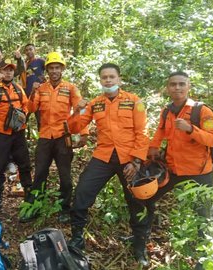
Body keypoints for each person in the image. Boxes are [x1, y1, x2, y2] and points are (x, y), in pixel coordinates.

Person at [66, 63, 151, 266]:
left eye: (112, 77)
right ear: (101, 80)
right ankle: (77, 238)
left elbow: (142, 132)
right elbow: (74, 127)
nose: (108, 80)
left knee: (138, 201)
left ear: (119, 79)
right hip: (103, 157)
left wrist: (137, 161)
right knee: (82, 193)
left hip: (129, 159)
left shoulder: (133, 101)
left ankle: (140, 244)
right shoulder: (95, 103)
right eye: (104, 77)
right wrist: (76, 110)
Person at [148, 71, 213, 270]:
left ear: (189, 87)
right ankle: (141, 236)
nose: (177, 88)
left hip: (199, 171)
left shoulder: (201, 111)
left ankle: (203, 257)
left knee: (202, 213)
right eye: (173, 84)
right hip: (172, 169)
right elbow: (160, 132)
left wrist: (190, 129)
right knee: (145, 197)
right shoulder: (167, 111)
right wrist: (152, 148)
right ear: (167, 88)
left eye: (181, 84)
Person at [23, 52, 86, 223]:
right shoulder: (41, 88)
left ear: (62, 69)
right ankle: (35, 207)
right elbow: (30, 108)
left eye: (57, 68)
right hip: (45, 136)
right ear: (47, 70)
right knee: (40, 173)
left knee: (64, 175)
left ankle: (64, 208)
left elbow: (81, 111)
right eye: (51, 68)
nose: (54, 71)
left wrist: (84, 134)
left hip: (62, 137)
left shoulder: (71, 88)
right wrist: (33, 92)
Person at [0, 61, 32, 214]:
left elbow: (26, 104)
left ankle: (29, 197)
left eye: (11, 71)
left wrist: (24, 113)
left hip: (17, 132)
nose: (8, 73)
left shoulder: (18, 88)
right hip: (0, 133)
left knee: (24, 164)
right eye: (6, 70)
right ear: (0, 72)